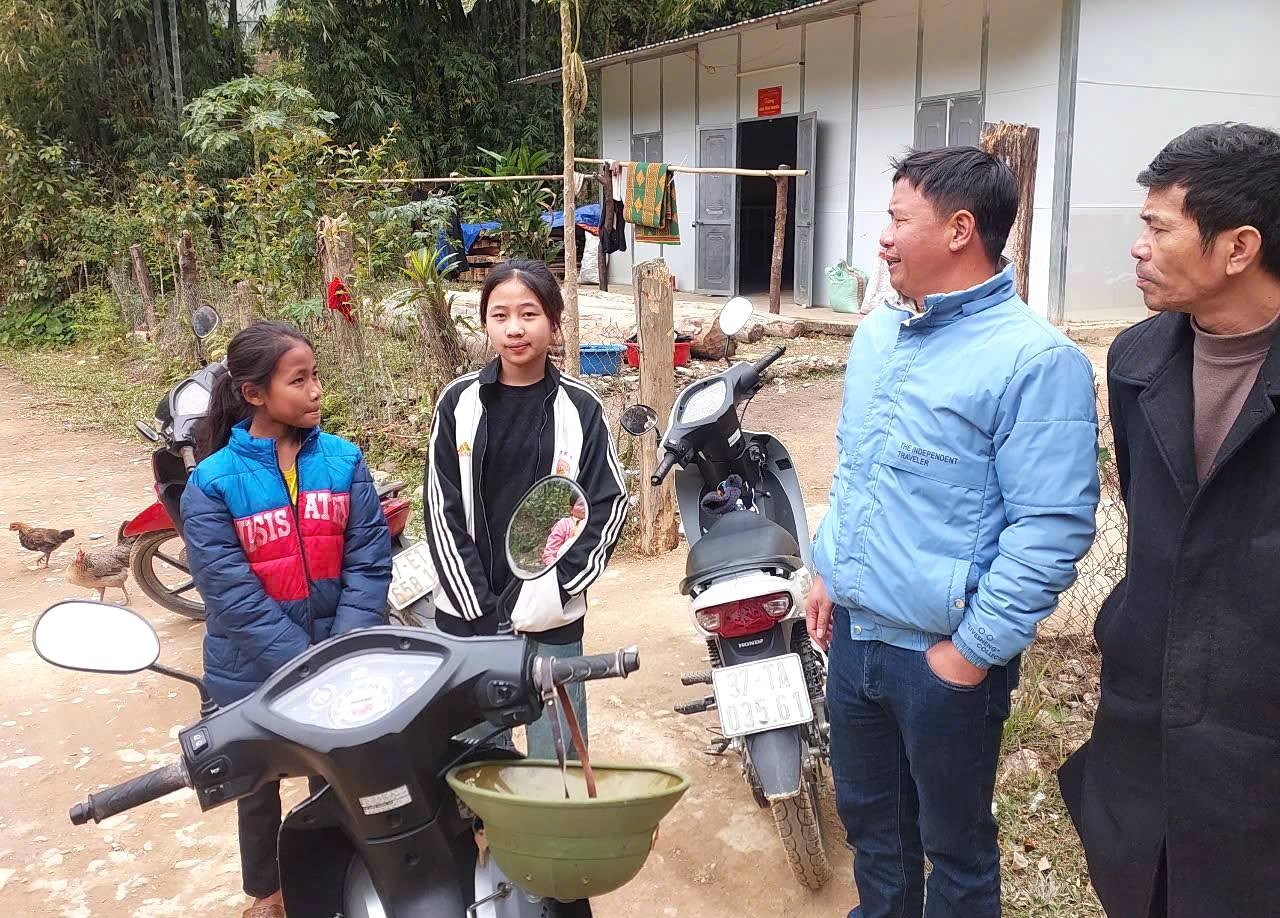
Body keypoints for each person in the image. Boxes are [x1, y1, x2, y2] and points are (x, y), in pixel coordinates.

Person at [805, 147, 1099, 918]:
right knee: (874, 834)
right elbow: (856, 468)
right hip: (855, 643)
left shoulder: (1034, 360)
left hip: (941, 666)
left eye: (900, 219)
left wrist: (970, 655)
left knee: (955, 849)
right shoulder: (876, 339)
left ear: (961, 228)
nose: (884, 239)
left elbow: (1051, 528)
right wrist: (828, 570)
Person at [1058, 123, 1280, 918]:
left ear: (1238, 247)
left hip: (1258, 752)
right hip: (1141, 728)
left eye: (1159, 227)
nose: (1137, 247)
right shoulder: (1137, 361)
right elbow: (1156, 524)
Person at [182, 321, 392, 918]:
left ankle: (333, 889)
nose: (315, 391)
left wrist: (339, 652)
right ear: (254, 394)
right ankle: (266, 897)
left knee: (337, 784)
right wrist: (305, 665)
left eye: (316, 376)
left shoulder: (344, 462)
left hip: (335, 661)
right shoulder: (212, 482)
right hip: (250, 672)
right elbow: (229, 594)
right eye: (298, 380)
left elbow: (369, 562)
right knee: (258, 790)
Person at [425, 259, 627, 759]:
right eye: (500, 315)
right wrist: (481, 607)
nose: (514, 328)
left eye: (529, 313)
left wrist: (555, 588)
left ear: (554, 322)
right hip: (468, 618)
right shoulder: (458, 403)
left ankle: (552, 837)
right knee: (474, 758)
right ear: (485, 324)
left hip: (551, 615)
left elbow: (607, 502)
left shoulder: (580, 408)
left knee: (555, 756)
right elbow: (441, 507)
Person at [541, 497, 587, 567]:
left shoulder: (594, 522)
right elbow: (550, 552)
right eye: (581, 504)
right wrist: (556, 568)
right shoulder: (563, 524)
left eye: (587, 504)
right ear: (571, 509)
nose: (585, 507)